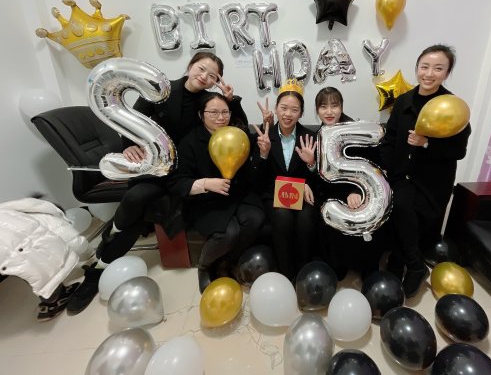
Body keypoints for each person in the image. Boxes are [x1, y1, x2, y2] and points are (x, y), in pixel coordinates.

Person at [67, 51, 248, 312]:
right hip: (157, 167)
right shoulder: (160, 90)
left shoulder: (208, 101)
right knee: (137, 198)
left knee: (143, 210)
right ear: (190, 66)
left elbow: (236, 124)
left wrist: (232, 100)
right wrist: (129, 146)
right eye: (201, 68)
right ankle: (105, 251)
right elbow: (131, 120)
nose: (204, 77)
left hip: (184, 171)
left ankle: (101, 264)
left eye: (212, 75)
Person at [380, 44, 471, 298]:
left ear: (447, 73)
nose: (429, 74)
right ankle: (411, 265)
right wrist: (385, 169)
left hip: (433, 182)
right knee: (401, 206)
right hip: (401, 175)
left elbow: (459, 150)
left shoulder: (452, 106)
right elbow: (390, 139)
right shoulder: (403, 101)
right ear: (417, 68)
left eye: (438, 68)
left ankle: (405, 264)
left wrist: (427, 143)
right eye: (425, 67)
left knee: (407, 210)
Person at [167, 93, 265, 292]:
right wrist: (205, 183)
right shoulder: (190, 142)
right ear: (201, 114)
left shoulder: (238, 135)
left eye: (225, 112)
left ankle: (227, 262)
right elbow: (176, 183)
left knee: (255, 219)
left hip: (237, 195)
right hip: (206, 200)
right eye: (213, 112)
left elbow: (250, 173)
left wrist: (262, 154)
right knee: (228, 233)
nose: (221, 117)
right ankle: (204, 266)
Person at [313, 87, 384, 280]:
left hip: (362, 190)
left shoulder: (355, 131)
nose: (329, 111)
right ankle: (337, 265)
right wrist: (311, 164)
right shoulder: (319, 135)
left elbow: (374, 166)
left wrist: (357, 191)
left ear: (342, 107)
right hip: (331, 192)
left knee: (365, 216)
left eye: (334, 106)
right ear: (317, 110)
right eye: (323, 106)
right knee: (328, 214)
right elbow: (320, 178)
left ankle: (367, 267)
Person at [255, 80, 319, 281]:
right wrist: (263, 154)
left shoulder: (310, 137)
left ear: (301, 113)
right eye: (283, 108)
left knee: (306, 218)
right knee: (282, 216)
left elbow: (319, 179)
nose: (288, 114)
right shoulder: (264, 136)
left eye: (294, 110)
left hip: (303, 196)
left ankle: (304, 272)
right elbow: (257, 179)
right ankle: (285, 273)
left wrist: (311, 164)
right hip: (274, 195)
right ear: (276, 109)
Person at [0, 197, 94, 321]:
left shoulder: (14, 213)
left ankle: (54, 297)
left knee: (27, 265)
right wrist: (90, 254)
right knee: (37, 267)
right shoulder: (50, 219)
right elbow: (76, 242)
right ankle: (54, 300)